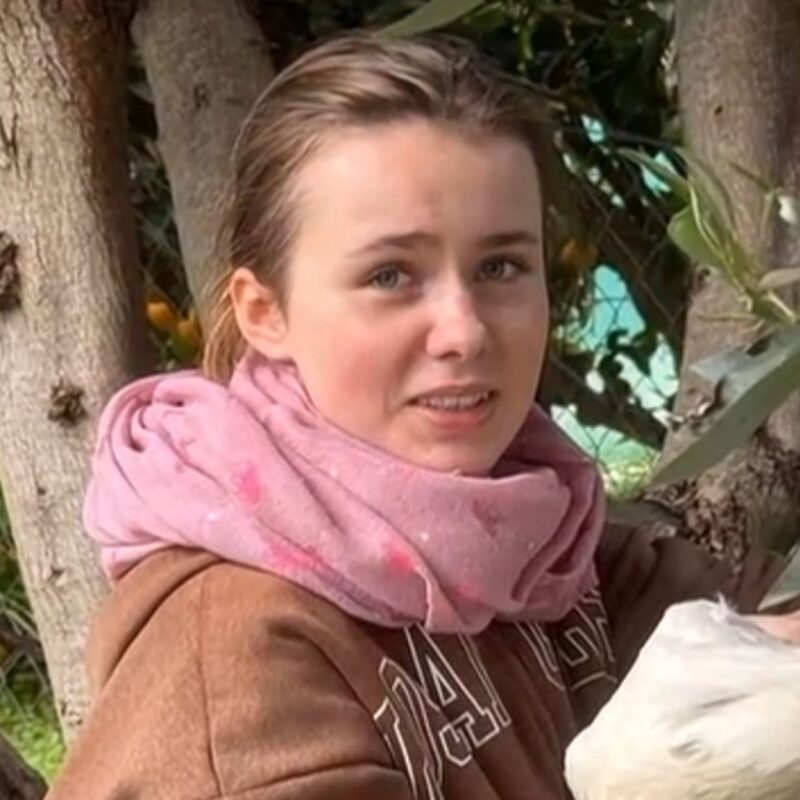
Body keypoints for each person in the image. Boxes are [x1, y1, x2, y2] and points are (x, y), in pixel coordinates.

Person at [46, 33, 786, 800]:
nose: (464, 331)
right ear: (265, 313)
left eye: (500, 266)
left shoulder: (532, 536)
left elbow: (743, 615)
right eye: (390, 275)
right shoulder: (243, 667)